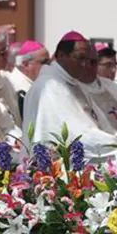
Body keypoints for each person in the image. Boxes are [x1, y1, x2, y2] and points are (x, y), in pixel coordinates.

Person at [23, 31, 117, 159]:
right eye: (79, 58)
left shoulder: (73, 83)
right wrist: (112, 144)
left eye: (88, 60)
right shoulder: (50, 87)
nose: (84, 65)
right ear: (61, 55)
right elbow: (76, 135)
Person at [6, 40, 49, 118]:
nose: (48, 66)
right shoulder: (16, 87)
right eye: (44, 62)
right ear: (26, 64)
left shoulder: (36, 82)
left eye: (49, 62)